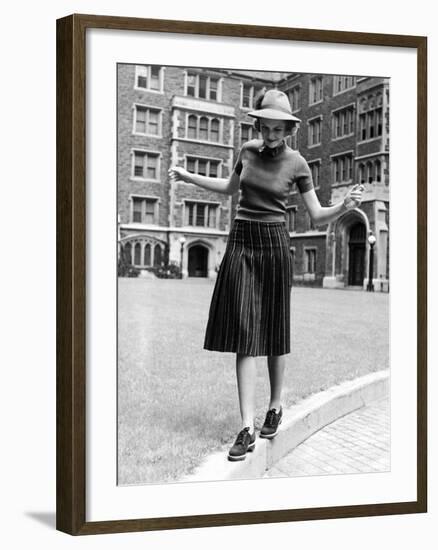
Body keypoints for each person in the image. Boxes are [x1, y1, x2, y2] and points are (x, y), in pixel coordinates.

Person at [168, 89, 364, 462]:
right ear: (258, 124)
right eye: (267, 128)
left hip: (274, 242)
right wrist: (188, 176)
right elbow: (229, 190)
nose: (272, 135)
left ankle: (275, 404)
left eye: (279, 130)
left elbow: (317, 215)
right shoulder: (246, 151)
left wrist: (344, 206)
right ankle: (246, 427)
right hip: (241, 239)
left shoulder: (298, 164)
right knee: (245, 332)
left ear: (287, 129)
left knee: (273, 330)